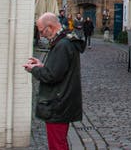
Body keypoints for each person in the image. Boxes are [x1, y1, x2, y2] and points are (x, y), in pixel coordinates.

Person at [25, 12, 86, 150]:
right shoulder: (65, 41)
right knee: (59, 143)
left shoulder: (62, 45)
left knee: (57, 145)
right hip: (63, 100)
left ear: (50, 27)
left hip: (58, 103)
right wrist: (42, 65)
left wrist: (33, 70)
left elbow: (52, 76)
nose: (41, 35)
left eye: (41, 31)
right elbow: (59, 69)